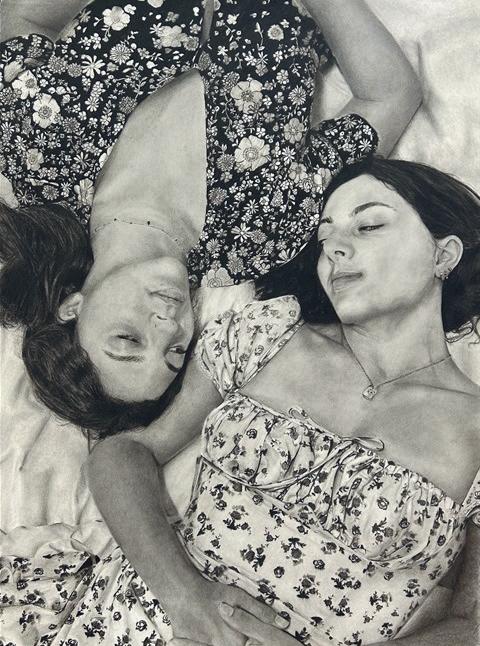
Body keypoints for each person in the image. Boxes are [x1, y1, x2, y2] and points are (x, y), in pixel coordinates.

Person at [84, 157, 480, 646]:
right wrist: (186, 599)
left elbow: (472, 624)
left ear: (444, 255)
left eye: (369, 225)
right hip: (138, 619)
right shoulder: (267, 335)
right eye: (324, 235)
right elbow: (124, 452)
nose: (334, 247)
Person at [0, 0, 421, 435]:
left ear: (72, 308)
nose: (168, 325)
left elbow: (23, 17)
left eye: (128, 339)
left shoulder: (40, 159)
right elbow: (390, 95)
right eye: (175, 351)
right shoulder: (263, 230)